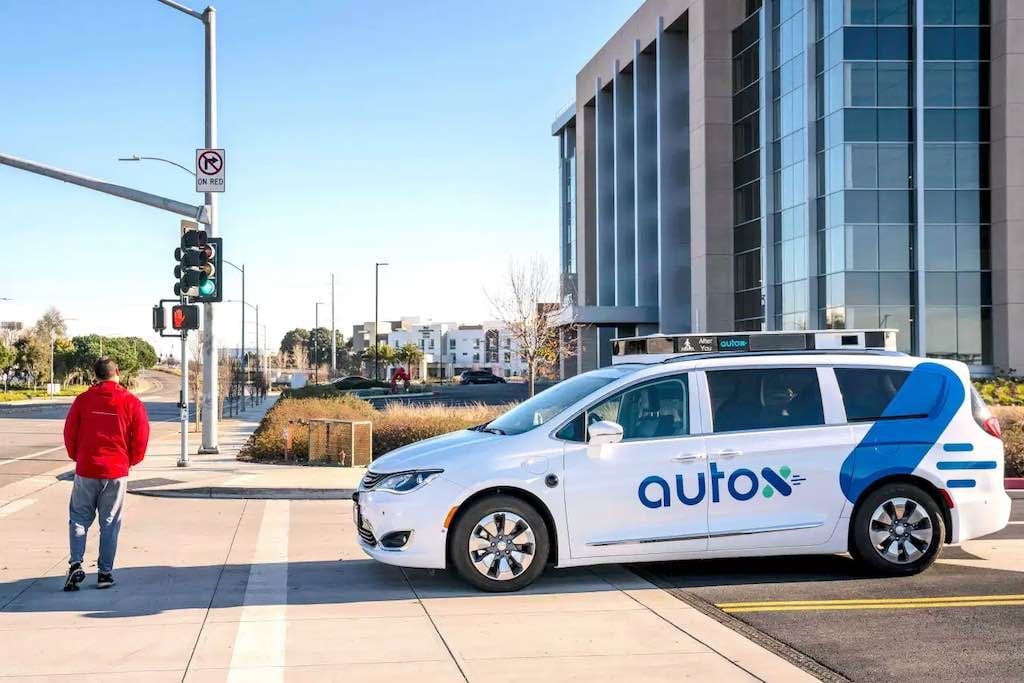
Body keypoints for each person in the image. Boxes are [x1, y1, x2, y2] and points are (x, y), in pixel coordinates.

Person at [61, 358, 150, 591]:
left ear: (96, 375)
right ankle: (105, 573)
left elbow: (70, 432)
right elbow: (141, 437)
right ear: (117, 373)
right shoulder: (131, 402)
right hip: (116, 471)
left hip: (86, 469)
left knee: (79, 517)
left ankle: (76, 563)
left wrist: (78, 457)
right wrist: (129, 461)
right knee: (110, 522)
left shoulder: (82, 401)